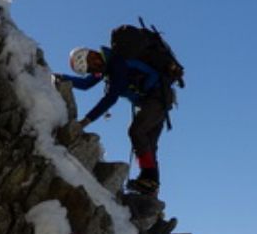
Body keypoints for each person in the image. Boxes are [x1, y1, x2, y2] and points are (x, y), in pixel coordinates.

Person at [57, 45, 174, 196]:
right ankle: (150, 185)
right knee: (147, 142)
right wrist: (62, 77)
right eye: (90, 71)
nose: (94, 71)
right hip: (155, 100)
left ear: (92, 55)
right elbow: (86, 84)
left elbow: (111, 98)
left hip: (157, 98)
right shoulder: (105, 67)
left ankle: (149, 178)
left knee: (137, 131)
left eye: (92, 66)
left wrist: (86, 121)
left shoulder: (117, 63)